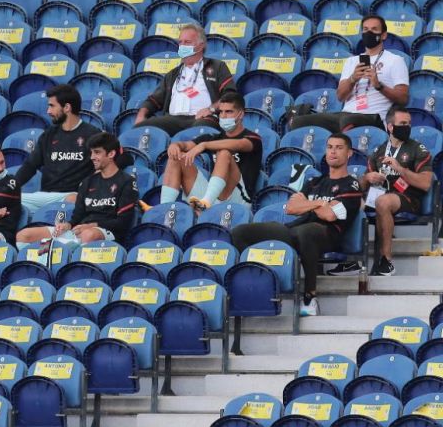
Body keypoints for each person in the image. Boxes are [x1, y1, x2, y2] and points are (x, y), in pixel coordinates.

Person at [230, 134, 363, 316]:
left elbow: (330, 216)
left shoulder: (352, 185)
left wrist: (309, 205)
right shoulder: (314, 182)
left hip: (328, 235)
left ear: (349, 153)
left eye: (339, 148)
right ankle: (254, 286)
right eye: (330, 147)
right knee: (240, 232)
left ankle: (310, 297)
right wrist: (319, 204)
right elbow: (292, 208)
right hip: (295, 230)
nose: (333, 151)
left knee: (306, 232)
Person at [15, 84, 132, 213]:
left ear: (67, 107)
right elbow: (30, 166)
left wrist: (100, 173)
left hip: (73, 196)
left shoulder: (92, 134)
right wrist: (10, 188)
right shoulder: (48, 135)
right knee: (7, 201)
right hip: (45, 197)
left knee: (72, 200)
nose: (48, 111)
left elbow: (125, 157)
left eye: (52, 106)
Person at [16, 132, 139, 248]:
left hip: (107, 233)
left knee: (88, 235)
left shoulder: (127, 182)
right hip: (80, 230)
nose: (92, 157)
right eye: (91, 153)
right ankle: (51, 258)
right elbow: (77, 216)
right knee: (24, 235)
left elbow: (123, 222)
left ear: (111, 154)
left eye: (97, 152)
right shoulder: (87, 182)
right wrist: (67, 225)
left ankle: (64, 252)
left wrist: (92, 225)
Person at [290, 15, 409, 132]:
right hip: (345, 115)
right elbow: (340, 96)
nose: (369, 33)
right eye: (366, 30)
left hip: (373, 116)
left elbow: (403, 99)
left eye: (374, 30)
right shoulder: (351, 61)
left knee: (349, 119)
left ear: (383, 35)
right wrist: (352, 79)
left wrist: (379, 85)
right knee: (298, 121)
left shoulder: (395, 60)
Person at [155, 92, 262, 213]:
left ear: (241, 114)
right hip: (213, 196)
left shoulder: (253, 138)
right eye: (220, 112)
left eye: (229, 112)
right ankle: (162, 209)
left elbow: (239, 144)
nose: (223, 116)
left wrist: (204, 145)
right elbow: (185, 145)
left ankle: (206, 203)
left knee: (224, 153)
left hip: (239, 199)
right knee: (176, 157)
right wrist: (175, 145)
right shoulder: (212, 137)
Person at [362, 107, 431, 276]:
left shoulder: (417, 149)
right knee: (348, 201)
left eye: (408, 124)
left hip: (408, 198)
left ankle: (386, 261)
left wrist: (400, 169)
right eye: (402, 123)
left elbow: (426, 183)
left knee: (383, 202)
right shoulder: (378, 151)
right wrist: (367, 178)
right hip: (379, 194)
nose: (406, 127)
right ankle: (351, 262)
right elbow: (362, 185)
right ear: (390, 127)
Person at [134, 23, 237, 136]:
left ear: (201, 45)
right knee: (139, 129)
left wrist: (211, 109)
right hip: (172, 120)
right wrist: (141, 115)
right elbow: (153, 100)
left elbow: (230, 95)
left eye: (187, 42)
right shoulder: (172, 74)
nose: (182, 46)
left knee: (200, 130)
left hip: (202, 118)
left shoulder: (217, 66)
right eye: (180, 42)